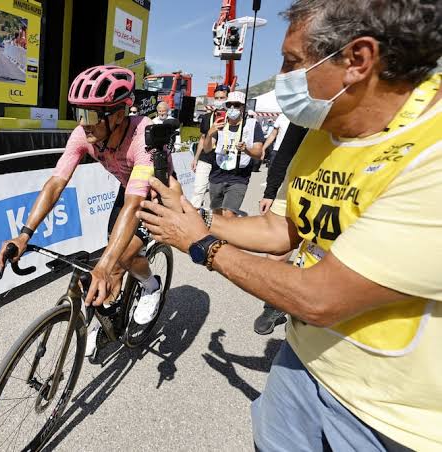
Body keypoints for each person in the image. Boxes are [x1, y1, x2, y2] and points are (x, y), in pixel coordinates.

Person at [136, 0, 442, 449]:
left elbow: (320, 297)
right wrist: (198, 218)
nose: (281, 77)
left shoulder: (431, 151)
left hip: (392, 419)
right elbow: (283, 229)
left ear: (357, 61)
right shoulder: (326, 129)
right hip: (302, 361)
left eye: (292, 62)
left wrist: (202, 246)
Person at [0, 65, 171, 357]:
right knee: (108, 262)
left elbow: (136, 204)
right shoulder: (83, 135)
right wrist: (24, 235)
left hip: (154, 196)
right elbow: (56, 183)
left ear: (117, 115)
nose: (83, 123)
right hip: (128, 190)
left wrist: (105, 265)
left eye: (90, 115)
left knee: (123, 256)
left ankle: (151, 285)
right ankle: (108, 318)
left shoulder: (143, 137)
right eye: (79, 113)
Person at [254, 123, 308, 335]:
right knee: (276, 256)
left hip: (348, 191)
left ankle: (305, 310)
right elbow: (285, 152)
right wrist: (270, 191)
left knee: (320, 260)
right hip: (295, 186)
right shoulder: (309, 110)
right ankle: (272, 307)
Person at [203, 90, 264, 217]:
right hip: (217, 174)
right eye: (229, 105)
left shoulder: (253, 125)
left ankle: (227, 236)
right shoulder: (219, 123)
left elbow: (259, 153)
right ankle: (218, 236)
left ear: (242, 107)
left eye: (236, 105)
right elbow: (207, 149)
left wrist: (246, 149)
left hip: (239, 176)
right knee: (217, 215)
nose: (232, 108)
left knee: (229, 214)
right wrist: (210, 133)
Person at [190, 84, 229, 208]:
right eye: (216, 98)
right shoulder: (207, 117)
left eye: (222, 98)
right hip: (206, 157)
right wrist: (196, 158)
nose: (219, 101)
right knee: (198, 189)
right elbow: (202, 138)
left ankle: (216, 217)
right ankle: (194, 214)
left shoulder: (233, 118)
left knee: (217, 192)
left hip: (223, 159)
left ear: (228, 98)